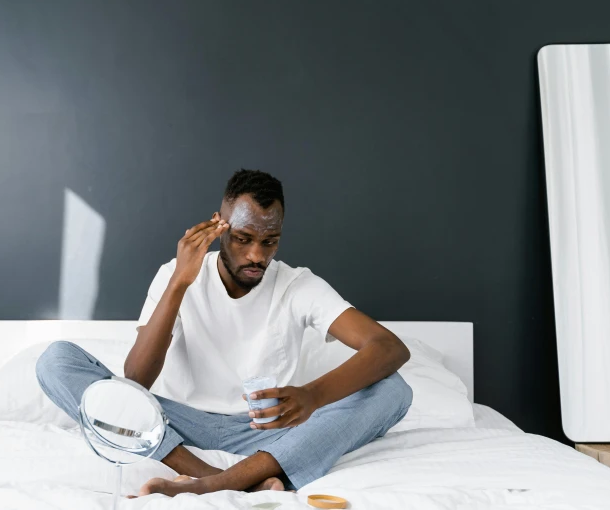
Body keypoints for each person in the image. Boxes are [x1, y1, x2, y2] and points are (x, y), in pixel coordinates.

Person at [36, 169, 412, 497]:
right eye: (243, 238)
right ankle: (216, 478)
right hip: (175, 424)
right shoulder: (176, 275)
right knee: (56, 360)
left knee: (394, 390)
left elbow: (389, 347)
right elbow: (136, 381)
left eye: (269, 241)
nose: (256, 255)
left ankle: (216, 483)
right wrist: (180, 283)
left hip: (265, 431)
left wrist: (312, 395)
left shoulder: (298, 285)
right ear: (220, 226)